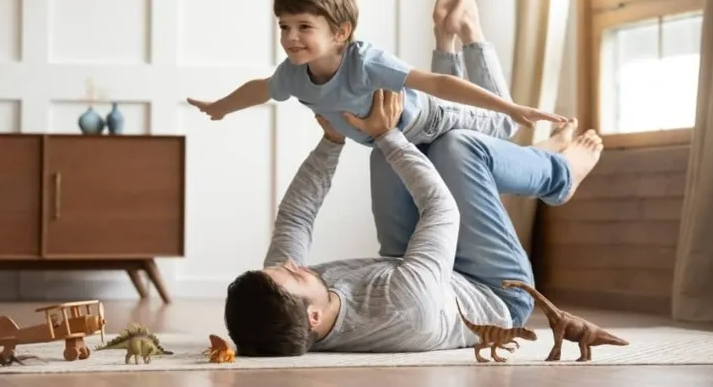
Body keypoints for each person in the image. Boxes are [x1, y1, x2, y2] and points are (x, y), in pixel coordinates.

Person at [223, 87, 603, 357]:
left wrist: (332, 140)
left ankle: (527, 155)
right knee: (456, 148)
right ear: (314, 317)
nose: (293, 264)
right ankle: (559, 174)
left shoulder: (285, 298)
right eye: (295, 275)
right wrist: (387, 135)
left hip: (411, 266)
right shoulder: (403, 306)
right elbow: (442, 210)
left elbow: (296, 218)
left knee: (391, 149)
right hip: (495, 289)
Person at [186, 0, 569, 147]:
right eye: (284, 26)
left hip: (431, 120)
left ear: (340, 31)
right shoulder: (293, 74)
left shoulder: (364, 61)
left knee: (504, 127)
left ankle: (469, 31)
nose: (290, 37)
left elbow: (436, 84)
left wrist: (511, 106)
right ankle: (448, 31)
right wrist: (222, 107)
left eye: (304, 26)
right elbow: (261, 88)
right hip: (404, 137)